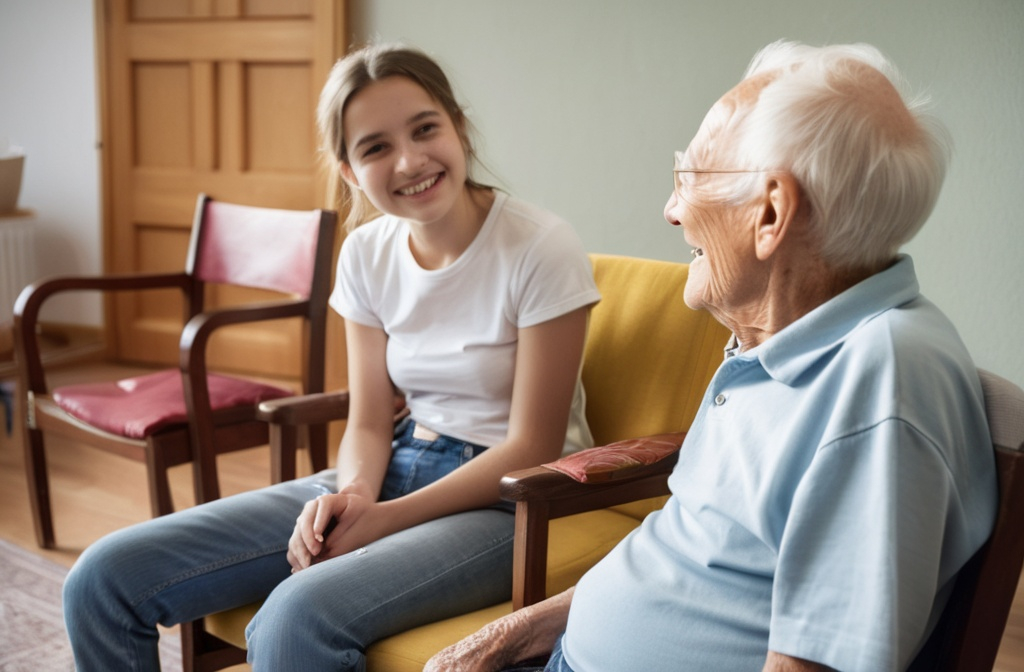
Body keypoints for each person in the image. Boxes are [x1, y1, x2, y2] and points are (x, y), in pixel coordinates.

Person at [426, 40, 997, 672]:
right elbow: (689, 552)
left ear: (771, 213)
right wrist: (513, 635)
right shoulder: (779, 347)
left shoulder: (878, 383)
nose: (672, 211)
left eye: (691, 175)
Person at [62, 43, 600, 671]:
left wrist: (384, 518)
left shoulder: (540, 247)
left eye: (425, 128)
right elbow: (371, 420)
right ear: (349, 171)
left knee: (294, 619)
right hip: (401, 463)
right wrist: (353, 496)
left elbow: (533, 444)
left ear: (458, 125)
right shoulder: (366, 254)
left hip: (513, 500)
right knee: (101, 580)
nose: (409, 160)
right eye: (375, 147)